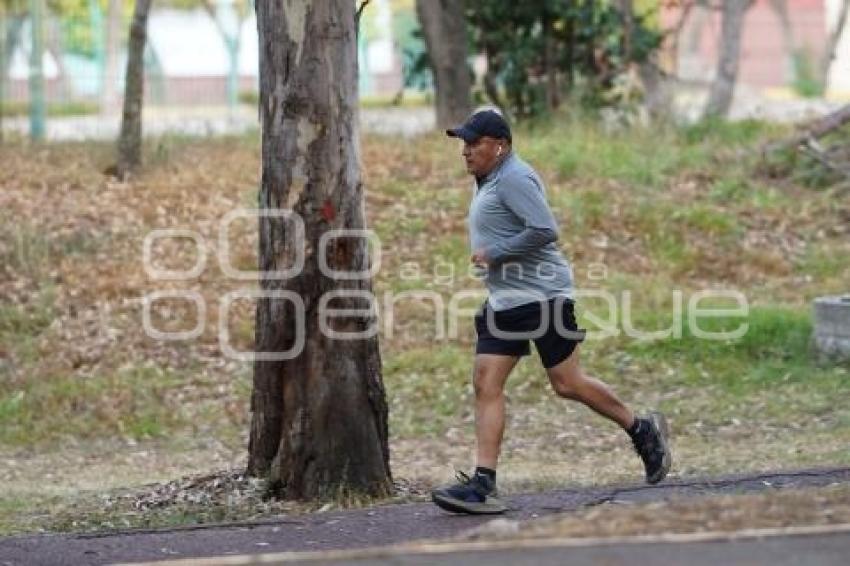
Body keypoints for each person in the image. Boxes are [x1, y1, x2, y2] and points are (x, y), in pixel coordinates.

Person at [431, 109, 672, 515]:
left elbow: (544, 229)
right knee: (486, 383)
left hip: (543, 296)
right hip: (506, 300)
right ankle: (483, 484)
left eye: (474, 143)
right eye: (464, 143)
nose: (466, 150)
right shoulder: (489, 178)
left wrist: (496, 253)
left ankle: (641, 429)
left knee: (567, 383)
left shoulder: (514, 177)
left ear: (499, 146)